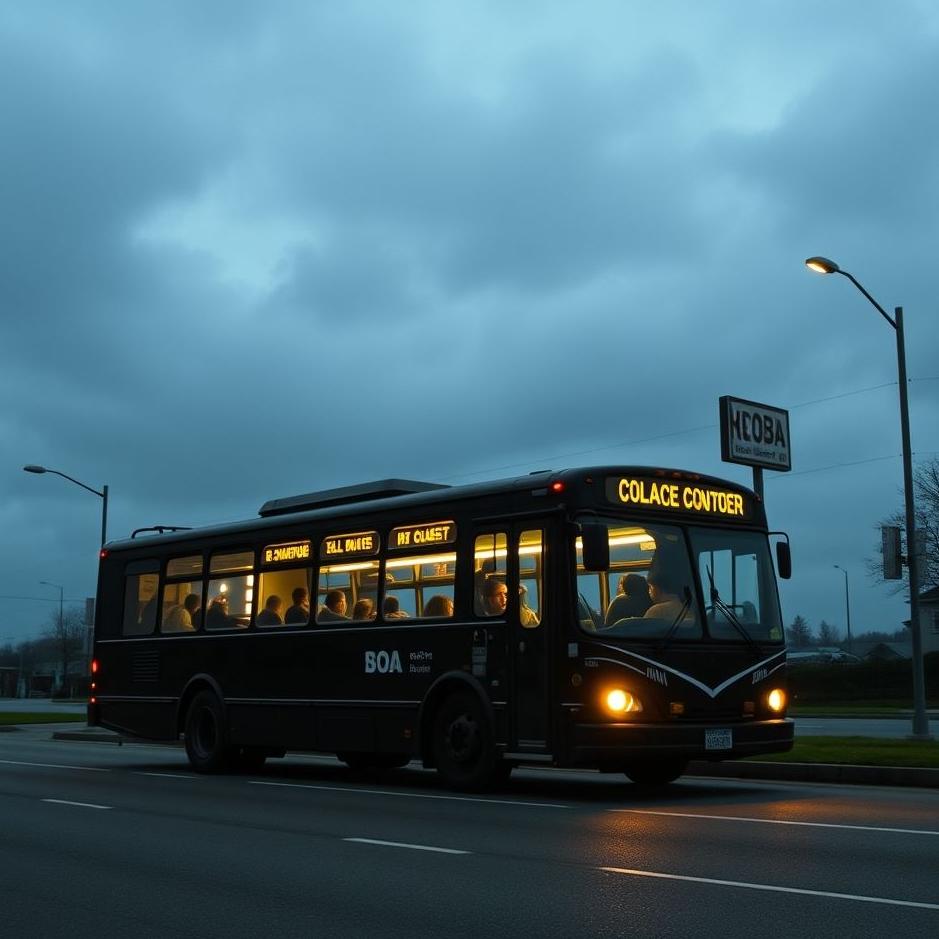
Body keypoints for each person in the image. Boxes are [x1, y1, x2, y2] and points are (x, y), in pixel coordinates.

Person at [644, 559, 692, 623]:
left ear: (658, 588)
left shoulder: (657, 611)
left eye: (650, 587)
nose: (649, 591)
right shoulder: (687, 606)